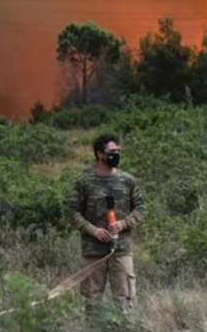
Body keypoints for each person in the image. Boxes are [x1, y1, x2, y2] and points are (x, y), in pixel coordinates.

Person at [68, 134, 145, 314]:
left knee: (124, 297)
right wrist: (93, 230)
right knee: (93, 298)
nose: (116, 155)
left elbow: (140, 208)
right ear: (100, 154)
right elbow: (73, 212)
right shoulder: (84, 183)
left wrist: (123, 224)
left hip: (121, 248)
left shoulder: (128, 181)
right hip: (93, 250)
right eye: (112, 152)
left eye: (118, 151)